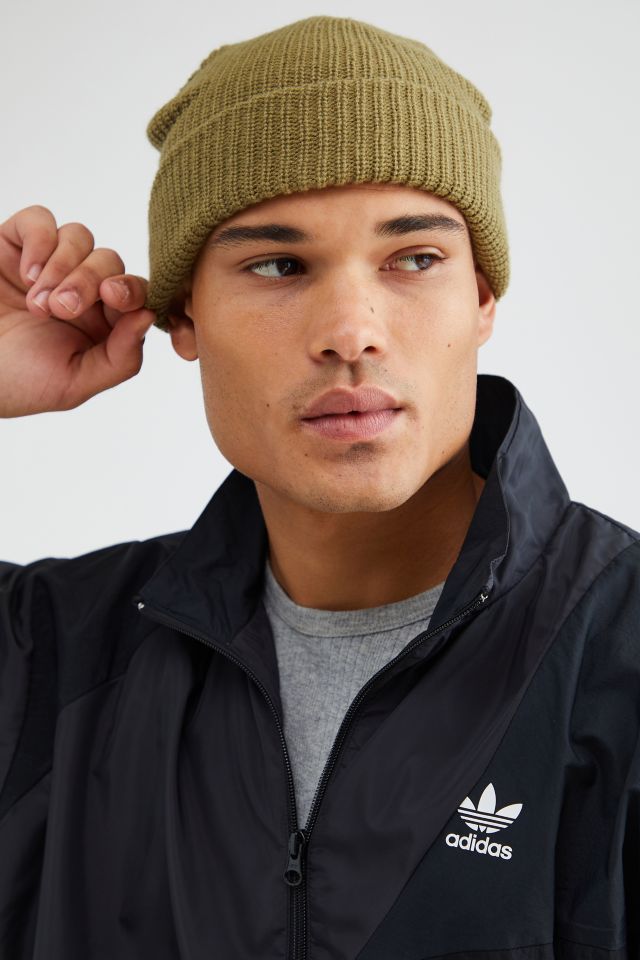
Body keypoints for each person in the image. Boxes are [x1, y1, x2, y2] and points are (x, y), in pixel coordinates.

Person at [0, 15, 638, 960]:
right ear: (183, 316)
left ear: (482, 298)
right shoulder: (48, 657)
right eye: (278, 265)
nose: (351, 331)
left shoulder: (619, 650)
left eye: (414, 258)